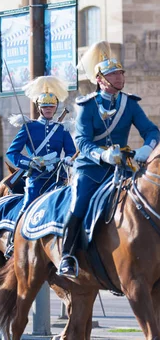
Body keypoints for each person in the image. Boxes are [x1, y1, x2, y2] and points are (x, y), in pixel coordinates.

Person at [57, 41, 160, 278]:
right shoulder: (86, 105)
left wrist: (145, 150)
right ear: (100, 79)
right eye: (113, 74)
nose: (119, 77)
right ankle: (68, 255)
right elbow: (81, 142)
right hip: (91, 168)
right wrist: (103, 154)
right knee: (79, 203)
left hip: (124, 167)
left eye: (120, 73)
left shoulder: (130, 104)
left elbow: (152, 131)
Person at [4, 76, 76, 257]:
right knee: (27, 205)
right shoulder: (29, 127)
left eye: (51, 106)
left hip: (57, 177)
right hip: (36, 177)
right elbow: (12, 153)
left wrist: (67, 160)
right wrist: (30, 162)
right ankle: (14, 241)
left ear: (56, 107)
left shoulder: (62, 129)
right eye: (45, 106)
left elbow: (70, 151)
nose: (49, 109)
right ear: (39, 108)